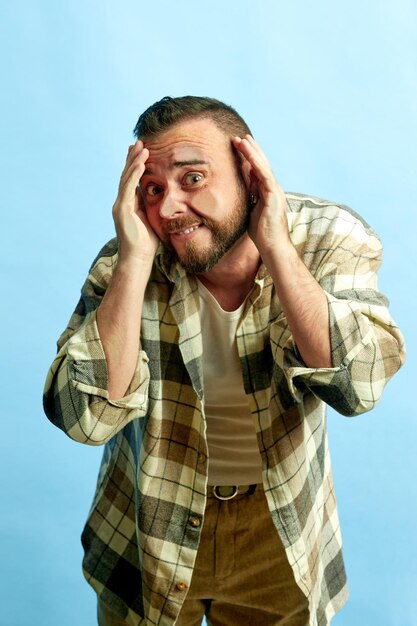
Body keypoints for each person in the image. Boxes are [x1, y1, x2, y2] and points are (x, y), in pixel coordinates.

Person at [43, 96, 405, 626]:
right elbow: (85, 419)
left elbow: (357, 386)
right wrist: (136, 261)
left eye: (192, 178)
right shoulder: (128, 259)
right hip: (148, 524)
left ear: (248, 173)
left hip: (279, 528)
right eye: (152, 189)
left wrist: (278, 248)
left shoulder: (329, 238)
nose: (168, 208)